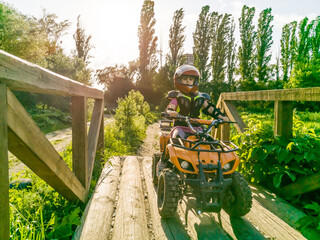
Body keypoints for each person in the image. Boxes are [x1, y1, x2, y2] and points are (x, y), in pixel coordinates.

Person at [157, 64, 229, 173]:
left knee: (211, 142)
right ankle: (163, 161)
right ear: (178, 80)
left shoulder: (201, 97)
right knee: (175, 140)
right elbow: (171, 107)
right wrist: (171, 112)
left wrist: (222, 117)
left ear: (195, 81)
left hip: (197, 127)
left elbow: (210, 109)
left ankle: (215, 166)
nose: (188, 81)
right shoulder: (177, 96)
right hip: (181, 126)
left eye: (191, 79)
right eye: (185, 79)